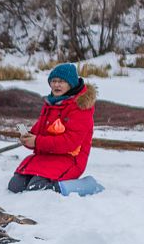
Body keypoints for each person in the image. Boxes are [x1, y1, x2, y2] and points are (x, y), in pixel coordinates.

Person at [9, 63, 97, 193]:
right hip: (45, 157)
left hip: (70, 159)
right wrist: (28, 138)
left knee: (36, 188)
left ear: (71, 84)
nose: (56, 85)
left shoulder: (80, 108)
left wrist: (37, 141)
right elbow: (37, 132)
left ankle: (87, 185)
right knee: (15, 186)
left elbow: (70, 143)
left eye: (61, 81)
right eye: (53, 81)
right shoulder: (51, 104)